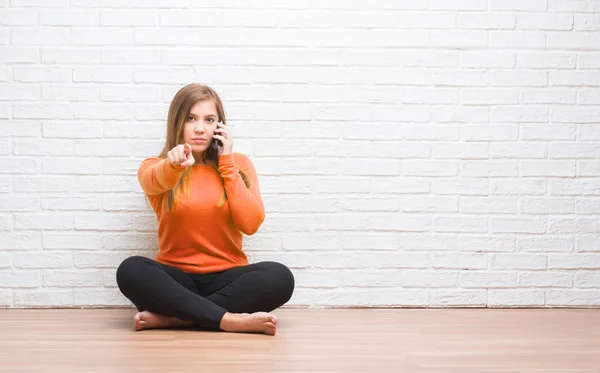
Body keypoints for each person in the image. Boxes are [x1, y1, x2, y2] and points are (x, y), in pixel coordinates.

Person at [115, 83, 295, 336]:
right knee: (131, 269)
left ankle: (179, 319)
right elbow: (156, 179)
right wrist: (175, 165)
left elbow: (251, 224)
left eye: (209, 119)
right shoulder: (156, 166)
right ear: (177, 122)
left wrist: (227, 162)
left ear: (219, 126)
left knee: (280, 277)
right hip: (176, 281)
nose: (200, 128)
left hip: (228, 278)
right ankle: (228, 320)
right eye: (191, 118)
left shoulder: (238, 164)